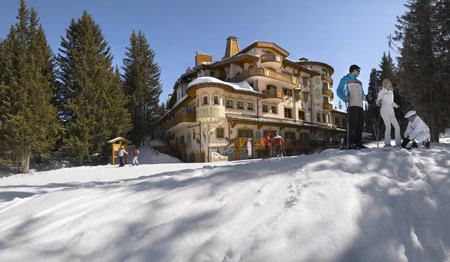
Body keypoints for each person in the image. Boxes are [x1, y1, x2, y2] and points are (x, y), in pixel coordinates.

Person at [337, 64, 366, 149]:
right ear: (354, 70)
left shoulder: (359, 82)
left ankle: (358, 143)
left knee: (360, 125)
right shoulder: (345, 79)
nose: (359, 73)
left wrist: (367, 98)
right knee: (352, 124)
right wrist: (344, 97)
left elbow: (362, 94)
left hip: (360, 105)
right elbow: (338, 91)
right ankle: (349, 143)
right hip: (352, 104)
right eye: (358, 71)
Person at [377, 79, 401, 148]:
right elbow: (377, 101)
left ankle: (398, 143)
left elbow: (392, 102)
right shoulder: (381, 92)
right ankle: (387, 143)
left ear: (390, 84)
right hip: (384, 110)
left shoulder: (391, 92)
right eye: (384, 83)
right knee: (388, 127)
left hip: (391, 111)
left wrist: (397, 106)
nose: (386, 84)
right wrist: (379, 102)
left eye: (387, 82)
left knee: (397, 126)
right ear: (383, 84)